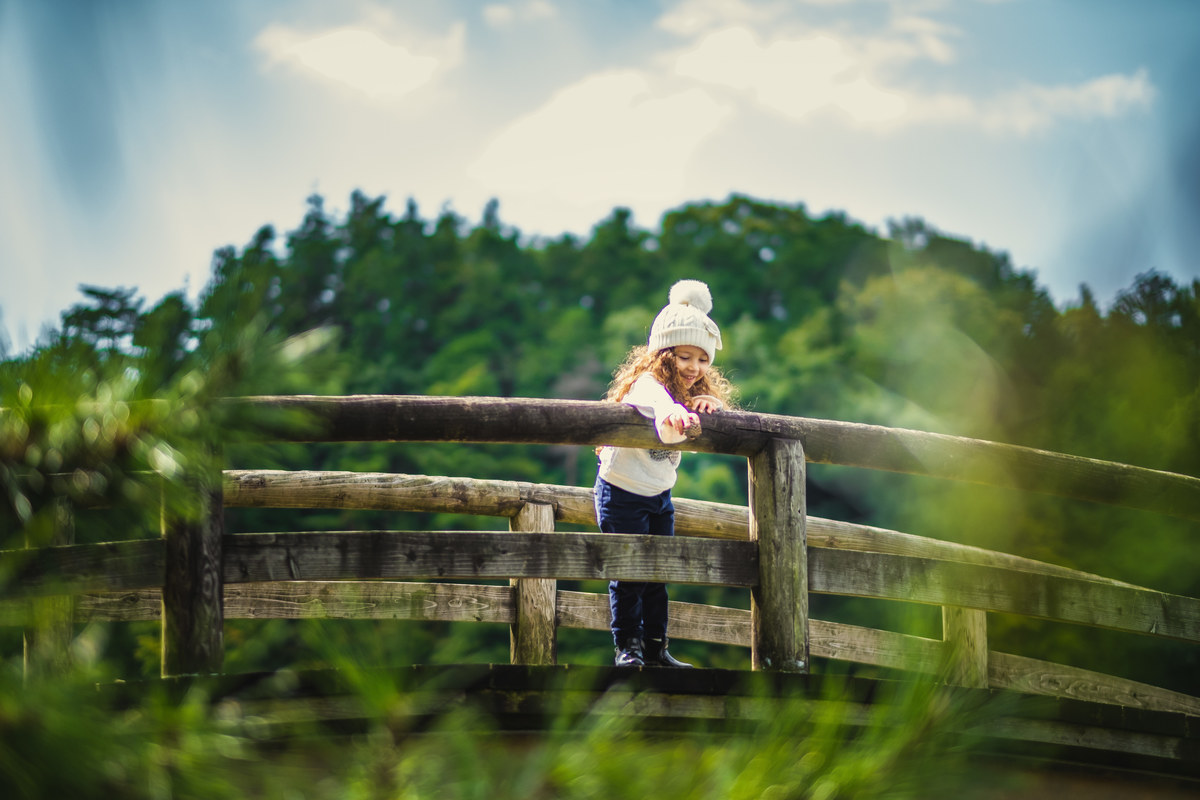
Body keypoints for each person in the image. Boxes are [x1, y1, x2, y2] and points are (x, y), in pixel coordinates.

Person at [594, 279, 736, 668]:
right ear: (662, 355)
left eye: (703, 359)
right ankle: (628, 648)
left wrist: (711, 404)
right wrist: (671, 412)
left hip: (659, 495)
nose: (695, 367)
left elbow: (712, 414)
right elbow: (655, 401)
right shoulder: (648, 385)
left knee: (658, 574)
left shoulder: (691, 391)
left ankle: (657, 649)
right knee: (629, 573)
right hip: (621, 490)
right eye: (684, 357)